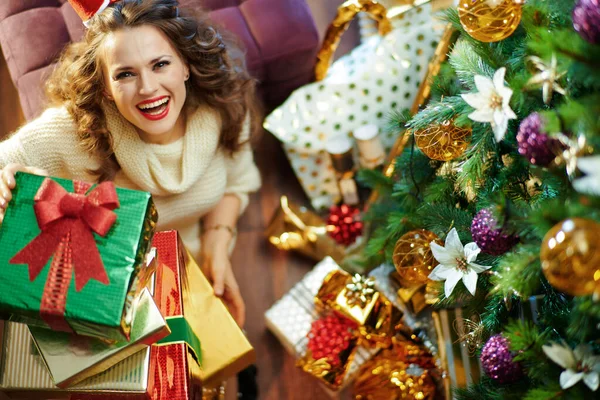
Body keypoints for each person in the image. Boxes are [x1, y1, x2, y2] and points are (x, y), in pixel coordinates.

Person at [0, 0, 261, 327]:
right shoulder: (73, 131)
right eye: (125, 74)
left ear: (186, 65)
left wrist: (217, 244)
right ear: (106, 88)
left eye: (160, 64)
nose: (148, 88)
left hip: (191, 261)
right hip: (97, 284)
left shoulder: (224, 106)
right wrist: (6, 186)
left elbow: (237, 180)